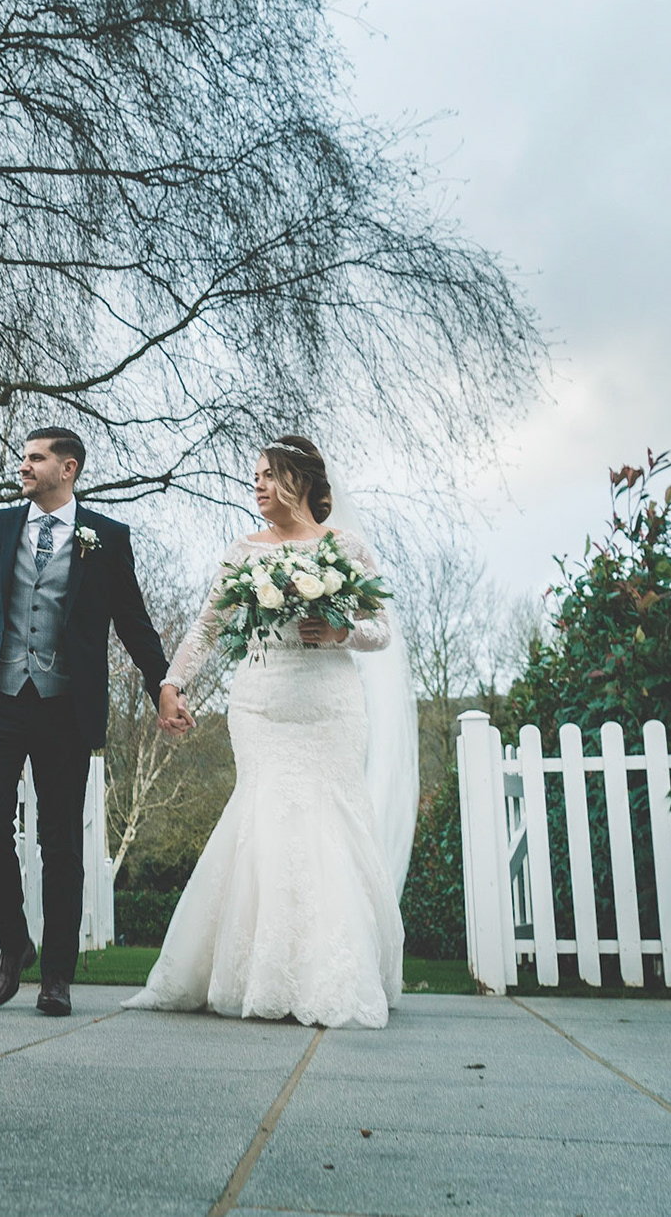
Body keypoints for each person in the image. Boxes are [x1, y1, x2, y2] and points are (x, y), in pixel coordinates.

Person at [127, 436, 407, 1028]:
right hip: (259, 705)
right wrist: (172, 683)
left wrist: (341, 633)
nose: (257, 485)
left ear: (299, 480)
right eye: (254, 476)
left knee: (330, 821)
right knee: (266, 818)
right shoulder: (244, 551)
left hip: (330, 706)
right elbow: (207, 627)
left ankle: (328, 971)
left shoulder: (344, 548)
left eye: (268, 475)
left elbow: (381, 628)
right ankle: (261, 969)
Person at [0, 427, 170, 1017]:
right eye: (24, 457)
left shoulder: (107, 538)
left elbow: (133, 623)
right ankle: (14, 944)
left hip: (65, 705)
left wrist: (162, 686)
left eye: (36, 458)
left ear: (68, 468)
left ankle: (57, 975)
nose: (24, 466)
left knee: (60, 844)